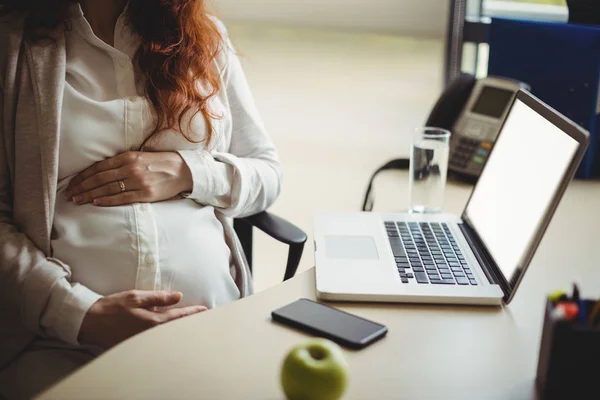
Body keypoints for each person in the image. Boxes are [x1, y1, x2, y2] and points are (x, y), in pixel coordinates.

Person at [0, 0, 282, 398]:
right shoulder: (11, 45)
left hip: (212, 334)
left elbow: (267, 173)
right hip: (62, 347)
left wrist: (188, 172)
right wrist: (79, 313)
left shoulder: (205, 38)